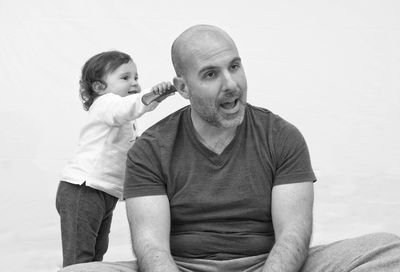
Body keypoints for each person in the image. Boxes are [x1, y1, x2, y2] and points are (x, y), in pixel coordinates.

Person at [60, 26, 400, 272]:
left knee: (388, 251)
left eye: (234, 66)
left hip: (271, 265)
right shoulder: (150, 148)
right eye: (210, 74)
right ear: (182, 87)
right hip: (181, 266)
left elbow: (292, 236)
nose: (231, 84)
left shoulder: (281, 136)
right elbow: (151, 248)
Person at [56, 50, 174, 267]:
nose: (134, 82)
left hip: (104, 192)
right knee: (78, 256)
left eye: (136, 77)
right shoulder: (106, 104)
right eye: (125, 77)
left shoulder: (120, 117)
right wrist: (150, 95)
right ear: (99, 88)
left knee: (97, 251)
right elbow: (127, 108)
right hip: (83, 189)